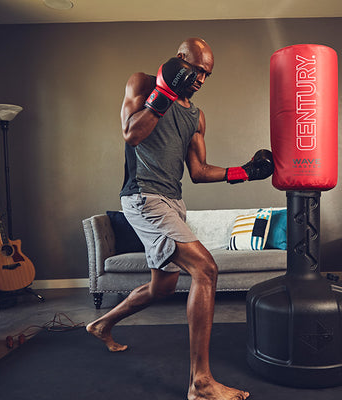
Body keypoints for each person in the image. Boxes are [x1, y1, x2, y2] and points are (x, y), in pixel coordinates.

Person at [86, 38, 273, 400]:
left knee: (163, 288)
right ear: (180, 59)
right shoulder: (141, 84)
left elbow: (199, 171)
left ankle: (101, 324)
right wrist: (164, 93)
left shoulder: (196, 117)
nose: (202, 78)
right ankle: (201, 383)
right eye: (197, 69)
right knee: (206, 269)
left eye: (207, 74)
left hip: (174, 202)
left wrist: (246, 172)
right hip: (143, 197)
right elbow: (132, 133)